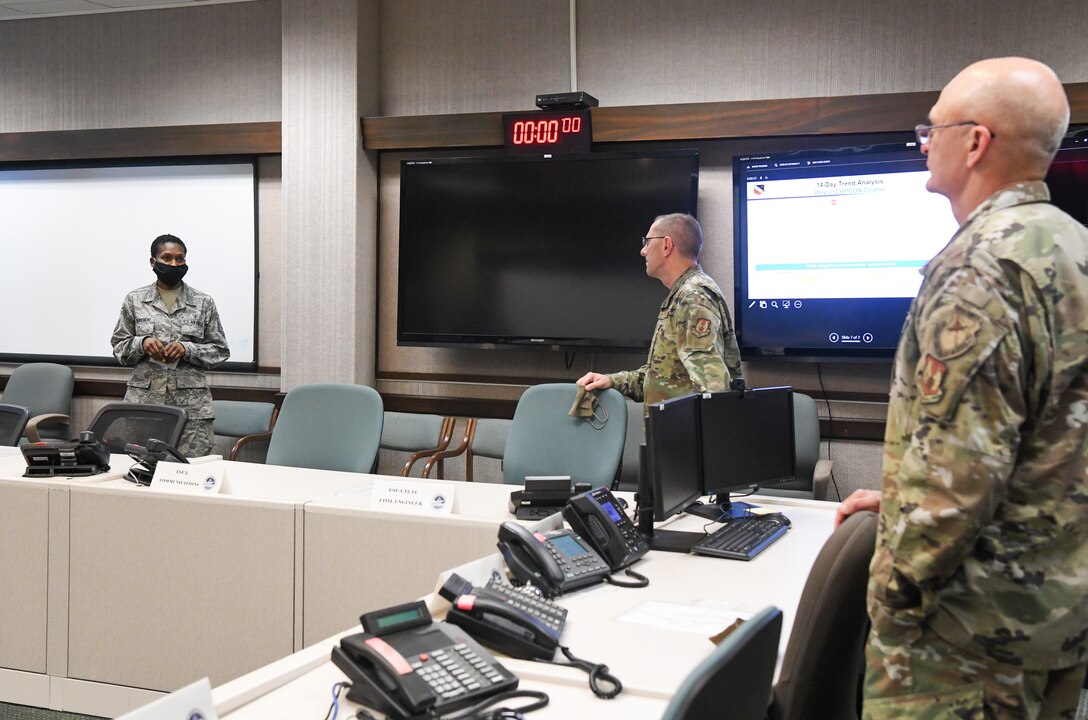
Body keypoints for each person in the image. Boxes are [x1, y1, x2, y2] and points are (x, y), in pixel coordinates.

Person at [835, 57, 1088, 719]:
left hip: (965, 645)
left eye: (933, 126)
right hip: (1052, 623)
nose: (924, 141)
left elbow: (957, 485)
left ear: (975, 142)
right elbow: (1047, 438)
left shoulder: (980, 266)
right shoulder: (1072, 246)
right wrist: (896, 497)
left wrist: (890, 600)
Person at [576, 212, 741, 406]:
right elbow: (664, 378)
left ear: (666, 245)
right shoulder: (682, 295)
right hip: (675, 432)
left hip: (684, 435)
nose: (643, 251)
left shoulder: (692, 297)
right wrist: (612, 381)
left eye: (647, 242)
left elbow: (713, 389)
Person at [111, 234, 230, 457]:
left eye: (180, 259)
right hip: (144, 406)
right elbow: (119, 347)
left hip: (191, 410)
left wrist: (188, 349)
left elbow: (220, 350)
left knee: (189, 473)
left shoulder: (203, 302)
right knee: (140, 470)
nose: (174, 264)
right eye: (167, 258)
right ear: (153, 262)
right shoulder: (135, 300)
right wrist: (142, 343)